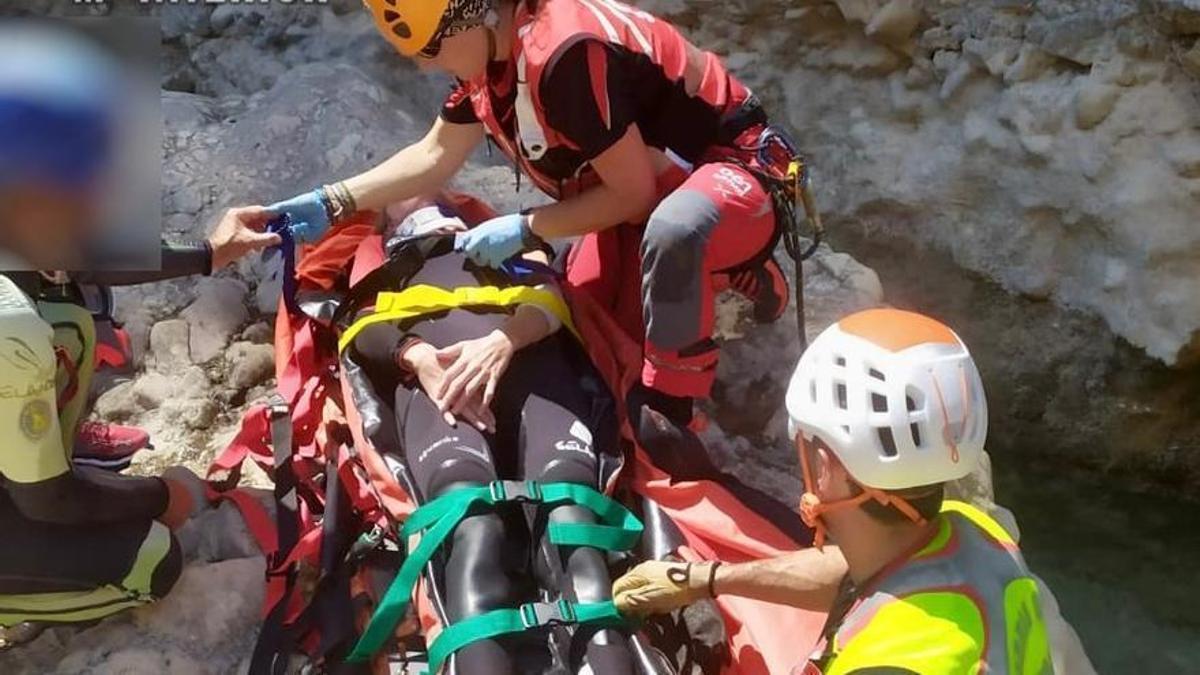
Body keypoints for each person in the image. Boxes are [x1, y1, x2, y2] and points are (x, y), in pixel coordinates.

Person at [265, 0, 797, 430]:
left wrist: (527, 227)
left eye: (430, 47)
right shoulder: (497, 54)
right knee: (587, 333)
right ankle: (710, 265)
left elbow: (632, 193)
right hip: (649, 191)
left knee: (677, 235)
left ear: (470, 14)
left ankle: (675, 404)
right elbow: (434, 156)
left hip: (734, 168)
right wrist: (334, 199)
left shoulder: (563, 54)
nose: (425, 64)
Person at [0, 22, 280, 646]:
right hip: (27, 492)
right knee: (152, 561)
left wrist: (210, 253)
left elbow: (80, 256)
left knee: (62, 308)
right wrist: (157, 496)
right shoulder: (8, 326)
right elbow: (46, 502)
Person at [610, 308, 1054, 674]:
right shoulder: (972, 531)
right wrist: (705, 580)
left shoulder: (887, 665)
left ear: (825, 466)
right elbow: (855, 572)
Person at [344, 197, 634, 673]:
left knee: (570, 518)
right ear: (389, 227)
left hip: (532, 364)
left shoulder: (508, 245)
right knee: (471, 519)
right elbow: (362, 333)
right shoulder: (388, 270)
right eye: (406, 200)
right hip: (440, 378)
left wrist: (503, 342)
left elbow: (552, 301)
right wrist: (417, 358)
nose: (427, 196)